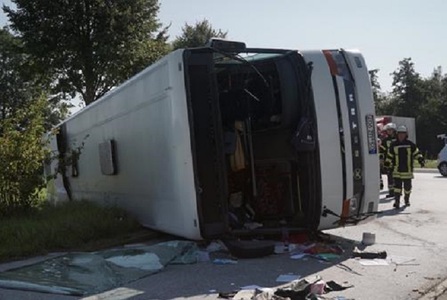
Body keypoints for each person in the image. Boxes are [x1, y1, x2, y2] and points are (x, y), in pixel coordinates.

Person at [386, 125, 424, 208]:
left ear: (406, 134)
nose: (401, 135)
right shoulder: (393, 145)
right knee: (397, 187)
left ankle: (406, 199)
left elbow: (417, 153)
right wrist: (387, 164)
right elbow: (389, 156)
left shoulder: (410, 144)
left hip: (408, 170)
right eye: (399, 133)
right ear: (397, 134)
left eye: (403, 133)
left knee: (408, 187)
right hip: (397, 170)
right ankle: (397, 202)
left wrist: (420, 160)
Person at [379, 123, 397, 197]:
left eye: (390, 130)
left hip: (397, 160)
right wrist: (381, 159)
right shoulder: (385, 140)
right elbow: (382, 151)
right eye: (388, 130)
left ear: (394, 130)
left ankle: (397, 191)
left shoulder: (398, 139)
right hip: (388, 161)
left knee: (397, 176)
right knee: (389, 175)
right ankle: (391, 192)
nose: (389, 131)